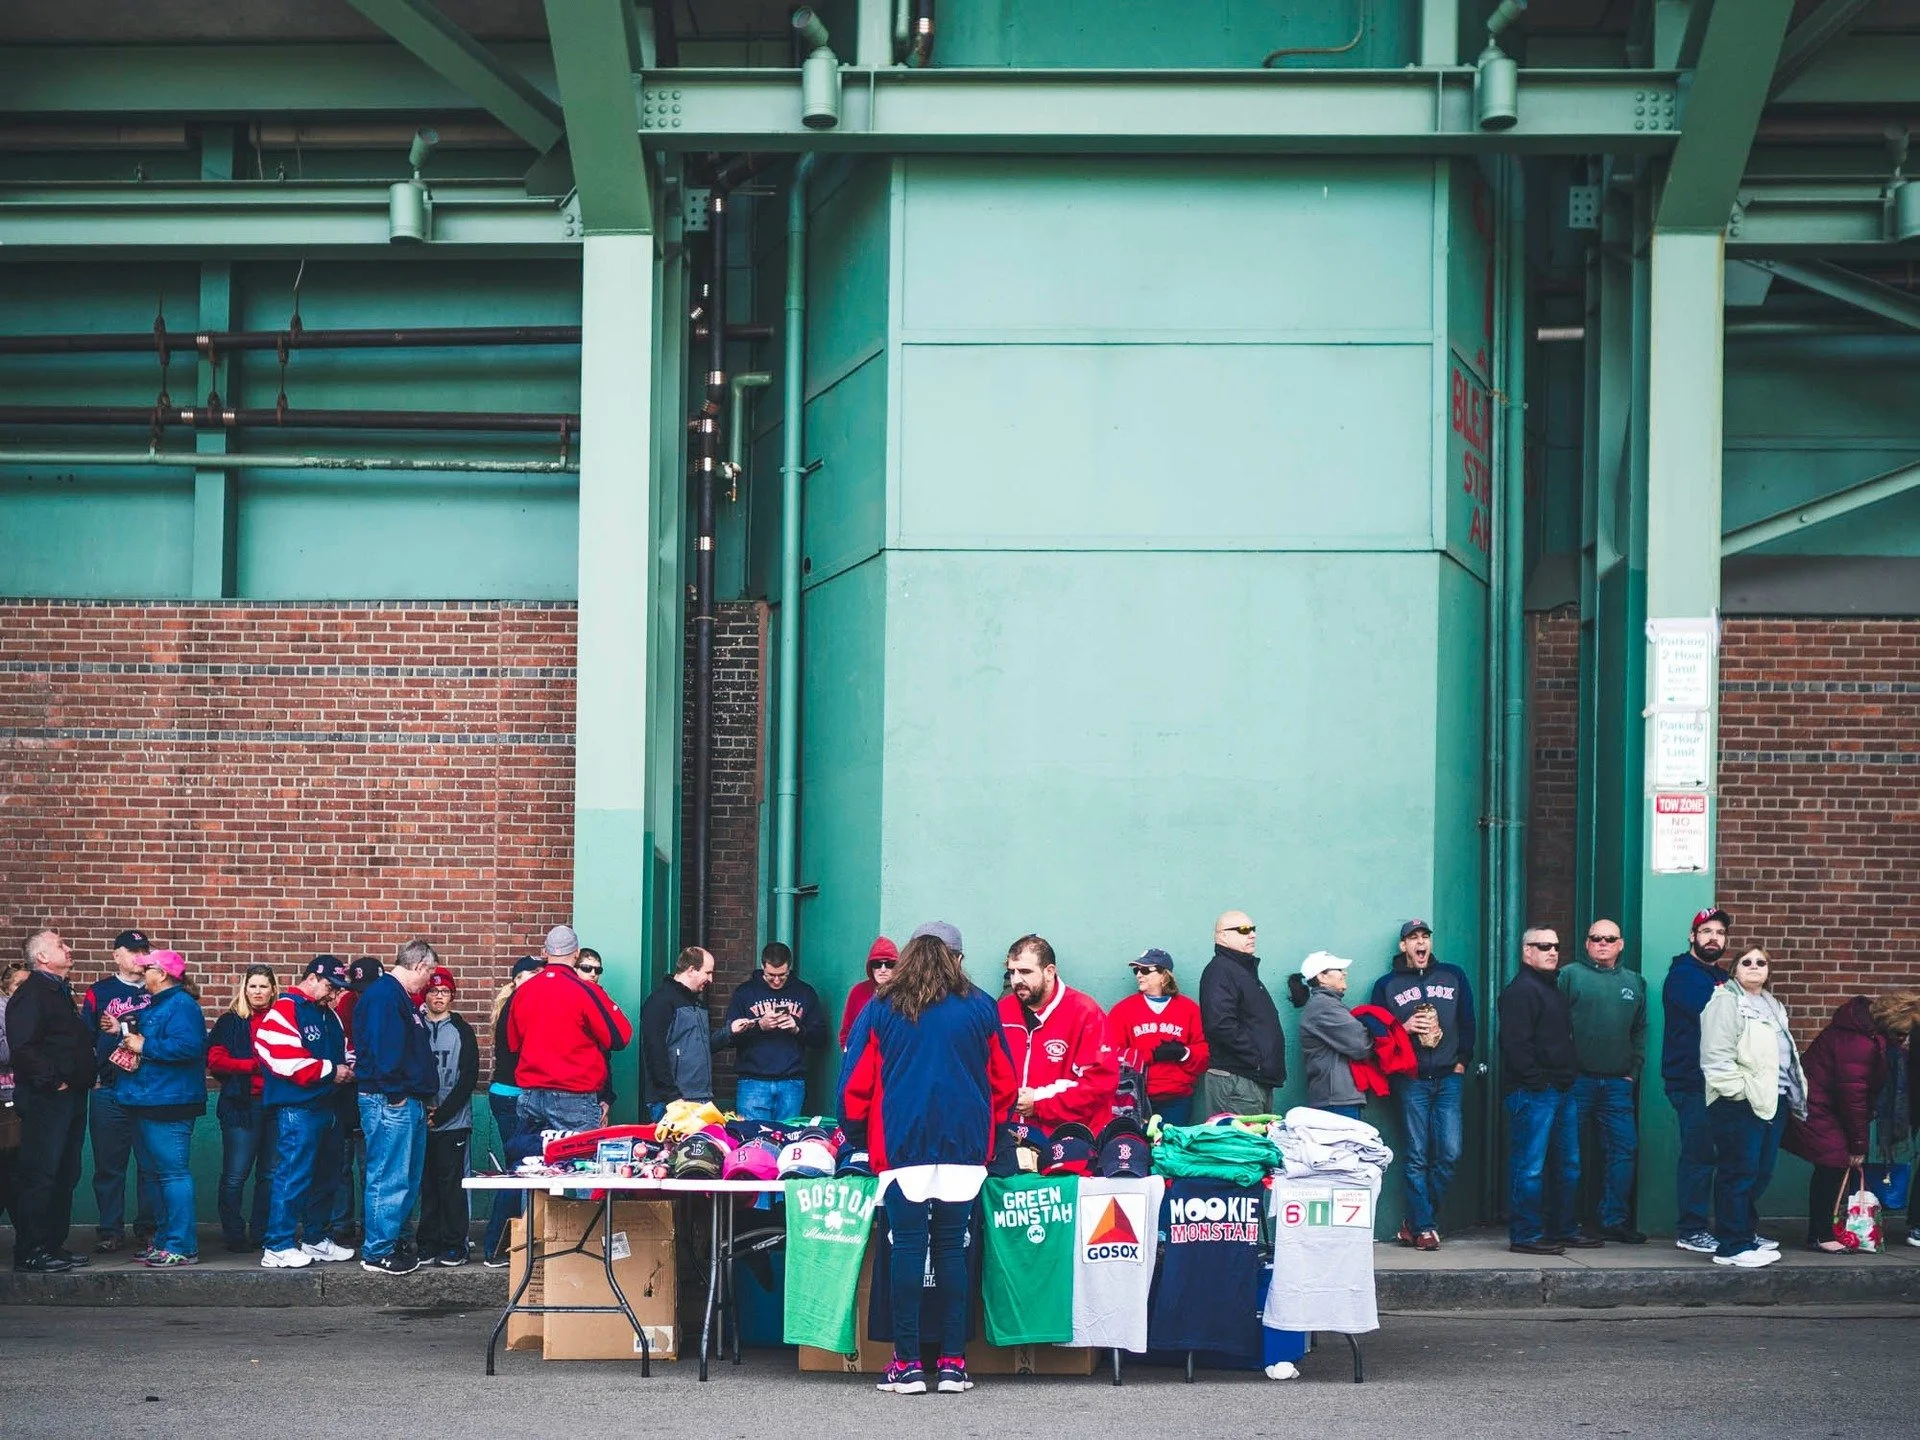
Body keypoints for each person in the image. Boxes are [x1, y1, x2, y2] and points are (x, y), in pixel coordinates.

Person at [841, 924, 1017, 1397]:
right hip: (964, 1144)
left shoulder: (882, 1007)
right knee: (953, 1251)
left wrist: (856, 1131)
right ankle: (955, 1363)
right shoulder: (981, 1005)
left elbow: (854, 1081)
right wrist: (990, 1126)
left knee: (907, 1249)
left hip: (902, 1143)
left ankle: (908, 1363)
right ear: (955, 958)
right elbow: (1005, 1081)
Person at [1368, 919, 1477, 1250]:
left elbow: (1467, 1021)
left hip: (1448, 1077)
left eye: (1425, 936)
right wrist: (1403, 1026)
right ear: (1403, 946)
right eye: (1413, 938)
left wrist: (1462, 1062)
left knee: (1450, 1152)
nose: (1420, 942)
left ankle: (1413, 1222)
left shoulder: (1453, 976)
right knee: (1417, 1155)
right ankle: (1425, 1227)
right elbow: (1377, 1035)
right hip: (1411, 1079)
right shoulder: (1386, 985)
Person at [1787, 990, 1920, 1252]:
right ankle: (1821, 1235)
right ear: (1890, 1024)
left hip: (1824, 1105)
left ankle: (1822, 1232)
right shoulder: (1860, 1044)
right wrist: (1859, 1144)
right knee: (1833, 1165)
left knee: (1832, 1167)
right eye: (1902, 1034)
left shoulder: (1863, 1030)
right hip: (1819, 1106)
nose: (1903, 1042)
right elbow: (1853, 1097)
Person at [1699, 948, 1806, 1268]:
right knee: (1738, 1172)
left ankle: (1744, 1235)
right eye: (1747, 962)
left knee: (1759, 1173)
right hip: (1740, 1103)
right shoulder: (1725, 1001)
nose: (1755, 966)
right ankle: (1731, 1246)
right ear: (1734, 970)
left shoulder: (1772, 1004)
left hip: (1774, 1101)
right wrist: (1738, 1093)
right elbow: (1715, 1056)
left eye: (1761, 962)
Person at [256, 956, 357, 1269]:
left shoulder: (329, 1015)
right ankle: (277, 1244)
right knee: (293, 1175)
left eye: (339, 989)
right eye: (330, 986)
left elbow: (344, 1051)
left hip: (329, 1105)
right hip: (298, 1106)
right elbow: (280, 1059)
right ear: (312, 978)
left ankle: (315, 1238)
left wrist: (347, 1066)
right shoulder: (285, 1009)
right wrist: (332, 1070)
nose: (334, 994)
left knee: (327, 1177)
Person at [1500, 927, 1596, 1256]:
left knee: (1568, 1165)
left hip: (1563, 1090)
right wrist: (1537, 1081)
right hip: (1535, 1093)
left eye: (1556, 946)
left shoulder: (1550, 987)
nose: (1553, 951)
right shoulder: (1521, 991)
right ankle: (1526, 1234)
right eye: (1544, 946)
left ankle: (1563, 1228)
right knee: (1529, 1167)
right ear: (1527, 951)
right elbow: (1515, 1044)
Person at [108, 950, 207, 1267]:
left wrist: (144, 1045)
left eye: (147, 966)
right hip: (148, 1100)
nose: (141, 970)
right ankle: (165, 1241)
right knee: (157, 1176)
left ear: (162, 974)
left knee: (172, 1175)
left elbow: (189, 1047)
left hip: (169, 1103)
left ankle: (182, 1245)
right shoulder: (160, 1004)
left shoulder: (181, 1005)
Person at [8, 930, 97, 1272]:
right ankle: (30, 1251)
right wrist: (54, 1081)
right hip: (47, 1099)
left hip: (70, 1097)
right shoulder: (33, 994)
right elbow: (24, 1047)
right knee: (40, 1174)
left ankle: (52, 1245)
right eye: (61, 944)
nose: (69, 948)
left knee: (65, 1173)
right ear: (42, 957)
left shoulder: (58, 992)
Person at [1559, 917, 1648, 1244]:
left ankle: (1613, 1220)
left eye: (1610, 939)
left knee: (1624, 1151)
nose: (1603, 944)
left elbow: (1639, 1030)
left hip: (1617, 1085)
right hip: (1577, 1083)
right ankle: (1565, 1223)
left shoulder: (1634, 982)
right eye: (1596, 938)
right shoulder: (1569, 976)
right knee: (1569, 1153)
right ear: (1586, 943)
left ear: (1620, 944)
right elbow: (1555, 1026)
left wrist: (1632, 1072)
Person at [354, 939, 439, 1275]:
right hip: (390, 1101)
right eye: (430, 973)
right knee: (388, 1176)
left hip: (405, 1100)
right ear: (419, 966)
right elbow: (383, 1049)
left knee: (403, 1177)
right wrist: (395, 1094)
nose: (429, 981)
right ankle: (377, 1252)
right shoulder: (384, 996)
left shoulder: (397, 997)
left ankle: (391, 1243)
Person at [508, 924, 634, 1136]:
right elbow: (620, 1037)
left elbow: (513, 1043)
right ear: (576, 954)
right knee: (577, 1166)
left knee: (529, 1165)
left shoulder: (523, 992)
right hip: (574, 1096)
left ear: (545, 953)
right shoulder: (586, 991)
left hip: (531, 1094)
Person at [81, 928, 159, 1254]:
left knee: (150, 1165)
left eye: (144, 951)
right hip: (109, 1089)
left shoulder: (160, 990)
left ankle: (149, 1228)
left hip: (148, 1089)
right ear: (116, 955)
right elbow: (84, 1039)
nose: (139, 957)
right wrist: (93, 1078)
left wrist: (123, 1027)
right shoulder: (99, 991)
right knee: (109, 1166)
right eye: (132, 951)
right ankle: (110, 1229)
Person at [1661, 906, 1733, 1254]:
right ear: (1693, 936)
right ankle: (1691, 1229)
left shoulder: (1720, 977)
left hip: (1720, 1081)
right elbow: (1712, 1019)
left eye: (1719, 933)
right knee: (1699, 1155)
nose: (1713, 938)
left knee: (1722, 1156)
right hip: (1692, 1080)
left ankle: (1733, 1229)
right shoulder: (1685, 975)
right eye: (1706, 932)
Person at [999, 933, 1116, 1128]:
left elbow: (1099, 1084)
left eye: (1025, 971)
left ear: (1049, 971)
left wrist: (1038, 1101)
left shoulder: (1084, 1012)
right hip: (1010, 1136)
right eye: (1012, 972)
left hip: (1066, 1139)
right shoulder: (1002, 1011)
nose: (1016, 980)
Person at [713, 941, 829, 1122]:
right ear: (762, 967)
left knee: (787, 1139)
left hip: (791, 1082)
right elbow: (731, 1038)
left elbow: (821, 1038)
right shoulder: (745, 993)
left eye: (782, 975)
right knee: (752, 1139)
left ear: (789, 968)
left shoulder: (804, 993)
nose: (776, 980)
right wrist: (760, 1026)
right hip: (753, 1082)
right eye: (771, 975)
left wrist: (797, 1029)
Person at [207, 965, 278, 1253]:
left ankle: (262, 1232)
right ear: (244, 990)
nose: (258, 992)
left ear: (273, 989)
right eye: (253, 986)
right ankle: (234, 1233)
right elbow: (215, 1060)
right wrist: (253, 1066)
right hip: (241, 1106)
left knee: (270, 1176)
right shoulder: (230, 1022)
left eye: (263, 986)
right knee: (236, 1174)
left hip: (275, 1105)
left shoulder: (282, 1020)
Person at [481, 954, 543, 1267]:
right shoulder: (521, 1005)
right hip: (515, 1098)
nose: (538, 978)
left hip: (506, 1095)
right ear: (517, 979)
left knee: (517, 1169)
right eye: (532, 973)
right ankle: (498, 1246)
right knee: (519, 1170)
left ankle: (502, 1246)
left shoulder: (512, 1004)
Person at [1195, 911, 1286, 1119]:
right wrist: (1256, 1058)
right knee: (1239, 1149)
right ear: (1222, 936)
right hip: (1237, 1082)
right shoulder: (1220, 970)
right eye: (1244, 930)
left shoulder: (1240, 971)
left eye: (1253, 929)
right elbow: (1219, 1024)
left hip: (1251, 1079)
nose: (1252, 935)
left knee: (1253, 1148)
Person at [1104, 948, 1208, 1126]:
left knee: (1170, 1149)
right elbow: (1111, 1055)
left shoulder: (1189, 1009)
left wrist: (1183, 1053)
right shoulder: (1122, 1010)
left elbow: (1205, 1054)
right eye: (1136, 970)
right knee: (1138, 1150)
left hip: (1177, 1099)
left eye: (1145, 970)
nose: (1138, 975)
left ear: (1163, 975)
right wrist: (1151, 1055)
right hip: (1133, 1098)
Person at [418, 967, 479, 1267]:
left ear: (452, 996)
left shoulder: (462, 1031)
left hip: (453, 1122)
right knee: (426, 1184)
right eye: (433, 991)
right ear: (425, 994)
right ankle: (428, 1242)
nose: (438, 997)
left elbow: (468, 1079)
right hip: (420, 1119)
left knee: (452, 1185)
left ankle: (455, 1244)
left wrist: (441, 1115)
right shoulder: (415, 1027)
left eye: (444, 992)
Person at [327, 954, 383, 1247]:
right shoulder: (344, 1006)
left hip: (370, 1094)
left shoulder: (384, 1004)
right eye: (357, 988)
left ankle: (369, 1224)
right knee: (341, 1165)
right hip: (342, 1094)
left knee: (369, 1166)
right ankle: (342, 1225)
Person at [1287, 952, 1372, 1120]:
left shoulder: (1327, 1004)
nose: (1344, 973)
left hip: (1337, 1097)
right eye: (1339, 969)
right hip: (1336, 1100)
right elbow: (1361, 1044)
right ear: (1322, 977)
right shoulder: (1324, 1006)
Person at [640, 945, 716, 1119]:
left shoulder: (697, 1003)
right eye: (708, 972)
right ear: (691, 970)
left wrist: (730, 1032)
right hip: (673, 1102)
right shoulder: (660, 1001)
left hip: (699, 1097)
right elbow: (655, 1052)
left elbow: (700, 1048)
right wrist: (672, 1097)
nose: (711, 979)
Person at [0, 961, 29, 1236]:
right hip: (4, 1104)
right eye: (18, 984)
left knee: (18, 1172)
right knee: (8, 1171)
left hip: (22, 1100)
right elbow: (5, 1055)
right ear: (6, 986)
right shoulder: (3, 1011)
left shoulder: (27, 1013)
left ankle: (28, 1239)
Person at [839, 937, 898, 1049]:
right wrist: (851, 1054)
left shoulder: (903, 993)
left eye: (889, 964)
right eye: (877, 964)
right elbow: (846, 1032)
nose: (883, 969)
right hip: (863, 1060)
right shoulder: (858, 992)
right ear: (871, 967)